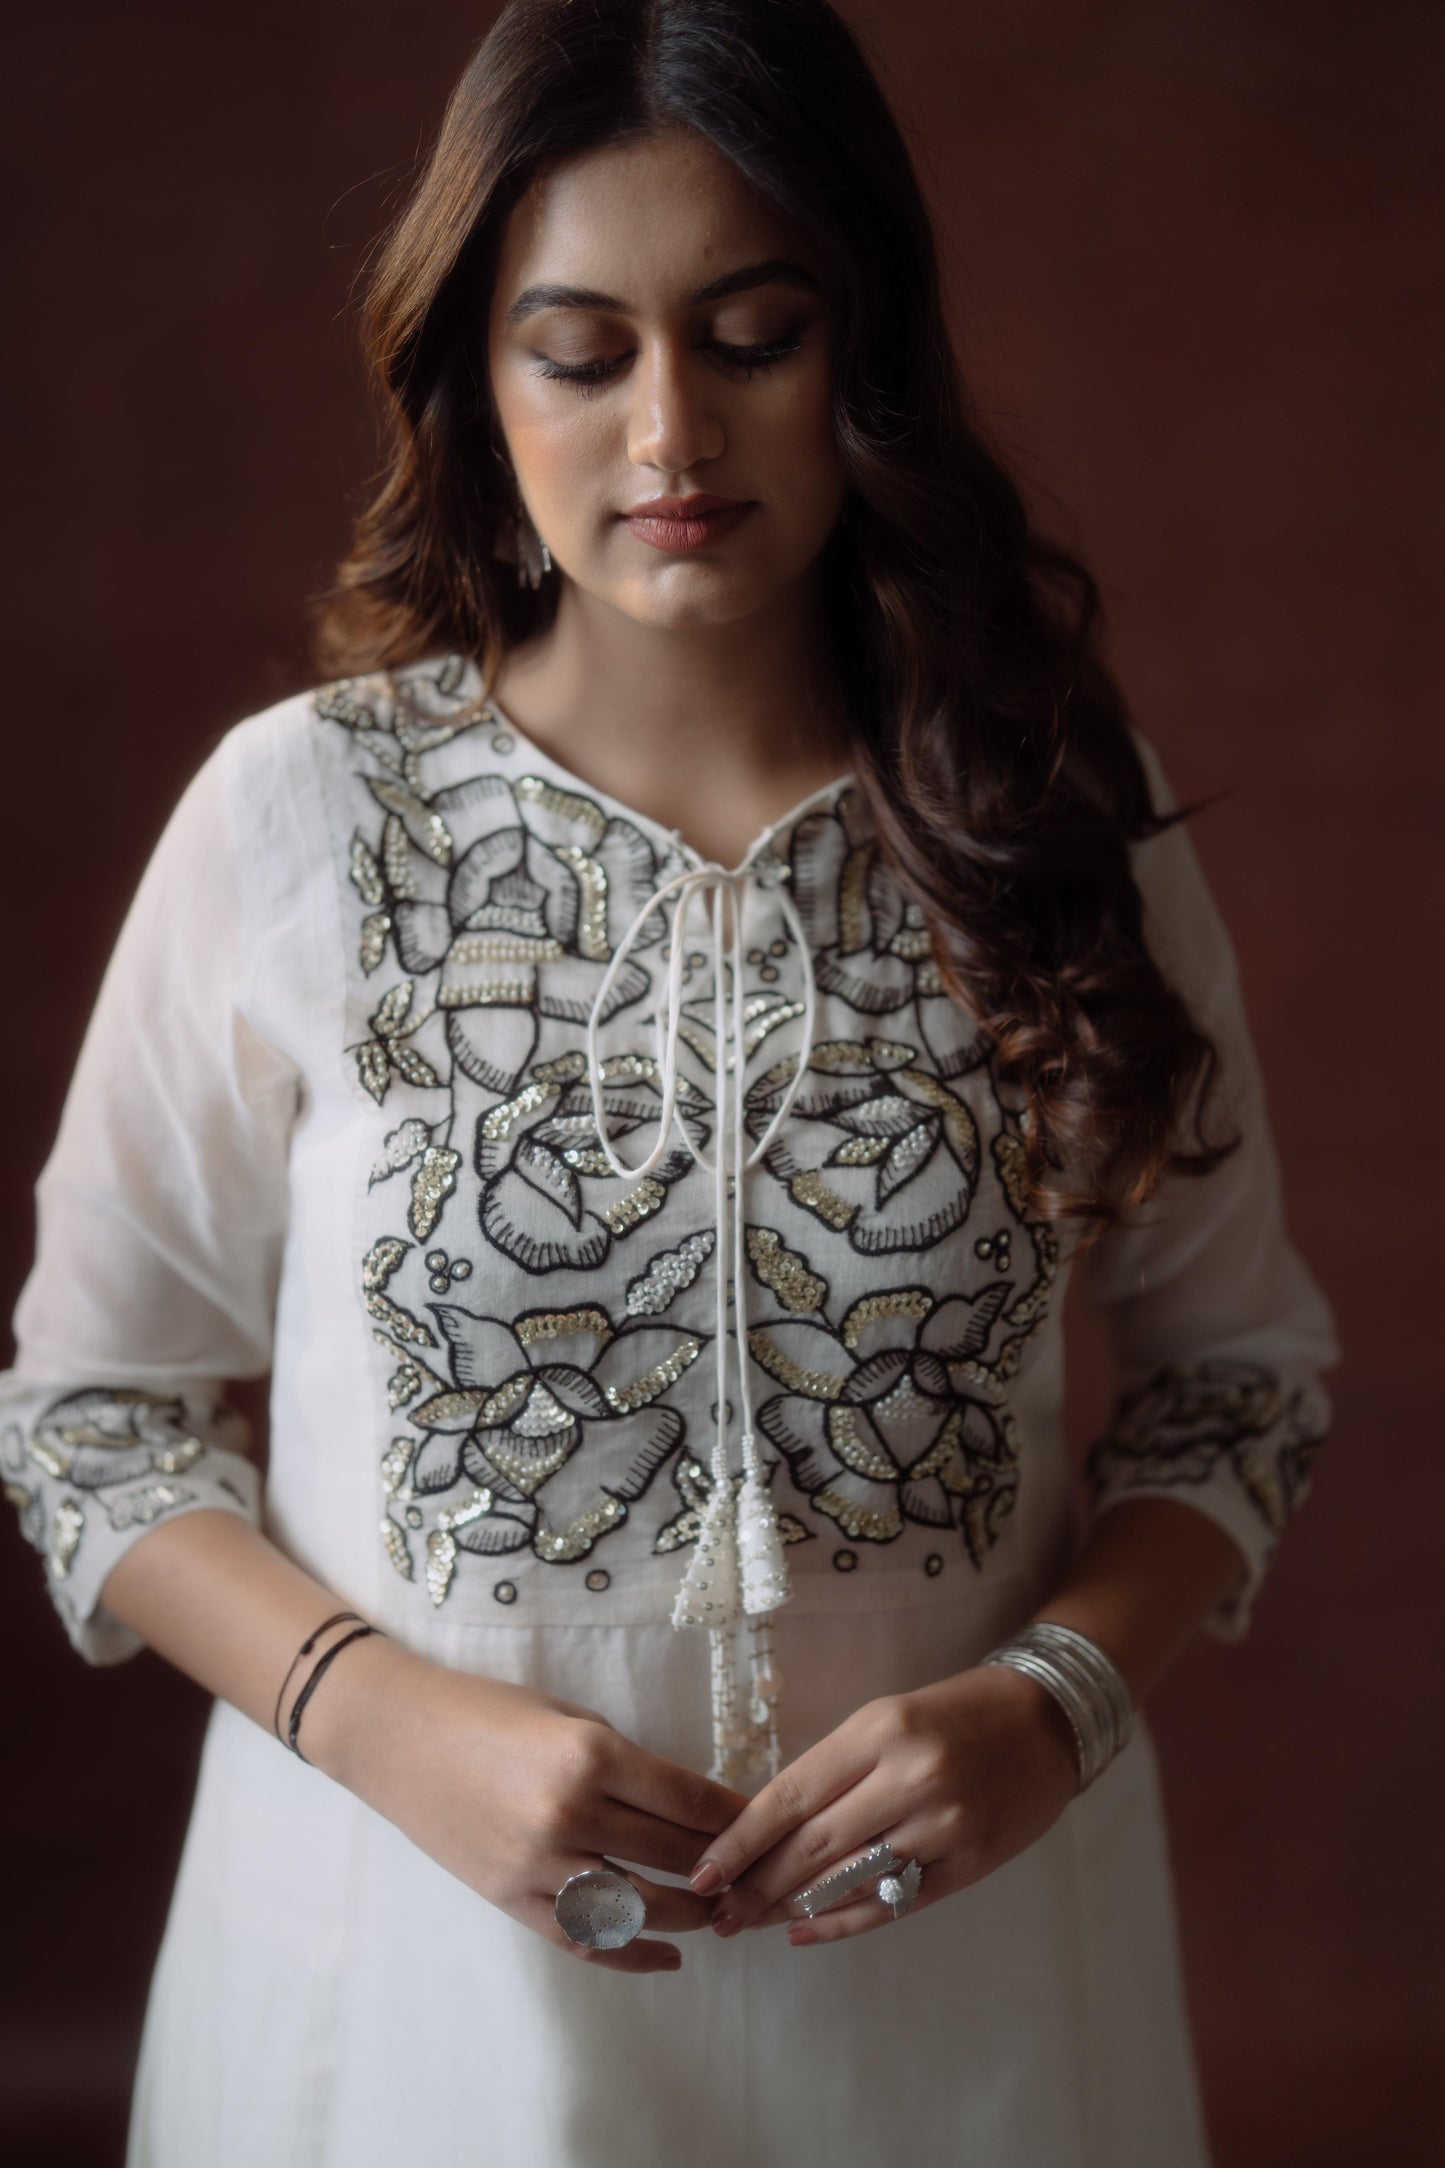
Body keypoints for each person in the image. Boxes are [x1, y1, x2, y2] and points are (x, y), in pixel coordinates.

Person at [0, 3, 1340, 2162]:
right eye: (578, 350)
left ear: (864, 346)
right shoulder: (300, 819)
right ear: (480, 379)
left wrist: (1054, 1699)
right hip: (411, 1998)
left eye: (750, 335)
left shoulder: (1052, 826)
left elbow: (1234, 1381)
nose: (668, 431)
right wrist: (385, 1723)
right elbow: (92, 1415)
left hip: (961, 2013)